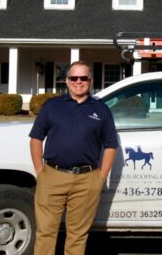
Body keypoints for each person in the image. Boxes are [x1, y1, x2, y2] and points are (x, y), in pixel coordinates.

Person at [29, 61, 119, 255]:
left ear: (90, 80)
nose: (79, 82)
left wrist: (100, 178)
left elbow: (111, 146)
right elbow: (36, 138)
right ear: (67, 81)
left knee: (77, 236)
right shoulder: (52, 106)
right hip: (52, 176)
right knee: (45, 232)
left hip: (87, 179)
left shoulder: (101, 110)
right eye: (74, 78)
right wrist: (40, 172)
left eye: (83, 78)